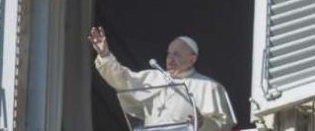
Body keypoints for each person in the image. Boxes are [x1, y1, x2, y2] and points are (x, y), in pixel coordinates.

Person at [88, 26, 236, 131]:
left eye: (176, 54)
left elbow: (224, 124)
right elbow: (122, 79)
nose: (170, 59)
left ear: (192, 59)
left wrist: (203, 123)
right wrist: (105, 55)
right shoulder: (154, 78)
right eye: (168, 54)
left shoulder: (208, 87)